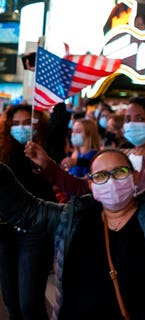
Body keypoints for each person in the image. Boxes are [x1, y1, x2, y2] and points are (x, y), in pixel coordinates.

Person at [0, 93, 145, 319]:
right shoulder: (74, 217)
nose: (111, 180)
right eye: (101, 176)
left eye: (119, 172)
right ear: (91, 184)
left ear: (134, 177)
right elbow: (28, 212)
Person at [0, 104, 55, 320]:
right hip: (5, 232)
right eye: (15, 124)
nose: (21, 128)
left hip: (35, 232)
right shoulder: (4, 152)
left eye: (26, 123)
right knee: (10, 299)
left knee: (29, 303)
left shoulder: (47, 149)